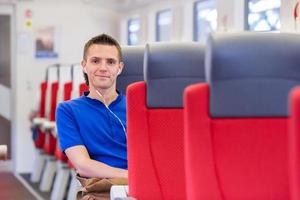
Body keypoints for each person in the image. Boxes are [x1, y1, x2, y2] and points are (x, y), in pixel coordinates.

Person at [56, 34, 127, 183]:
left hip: (143, 188)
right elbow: (83, 166)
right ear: (84, 65)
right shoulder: (67, 110)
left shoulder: (136, 107)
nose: (103, 68)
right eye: (95, 61)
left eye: (110, 62)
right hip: (101, 188)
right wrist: (133, 177)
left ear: (119, 68)